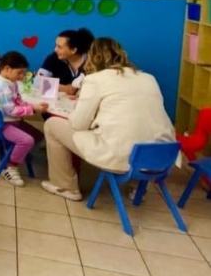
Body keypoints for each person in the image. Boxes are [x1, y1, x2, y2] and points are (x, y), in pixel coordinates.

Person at [41, 38, 175, 201]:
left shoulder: (95, 79)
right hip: (162, 157)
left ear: (92, 57)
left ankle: (65, 186)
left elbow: (79, 124)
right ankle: (136, 186)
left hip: (122, 157)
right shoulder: (148, 78)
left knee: (52, 124)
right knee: (138, 130)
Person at [0, 52, 47, 187]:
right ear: (7, 69)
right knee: (27, 140)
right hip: (2, 124)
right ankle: (10, 167)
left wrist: (33, 105)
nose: (21, 77)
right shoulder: (3, 86)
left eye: (23, 73)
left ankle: (20, 154)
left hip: (11, 121)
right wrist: (33, 110)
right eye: (19, 73)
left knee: (38, 136)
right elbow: (11, 110)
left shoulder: (10, 82)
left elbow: (18, 101)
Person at [39, 28, 94, 95]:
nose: (55, 50)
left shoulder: (92, 63)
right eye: (55, 45)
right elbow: (38, 81)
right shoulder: (54, 58)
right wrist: (66, 89)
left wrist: (52, 85)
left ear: (73, 50)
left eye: (59, 47)